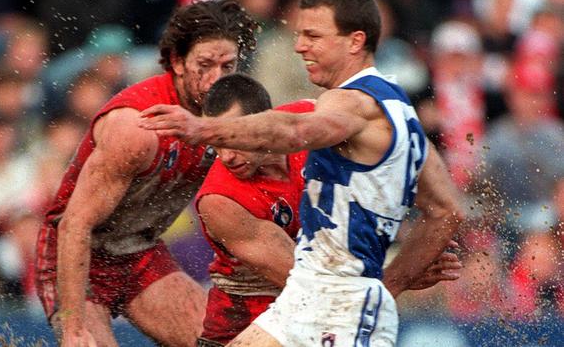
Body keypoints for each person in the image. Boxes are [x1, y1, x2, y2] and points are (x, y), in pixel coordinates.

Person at [139, 0, 463, 346]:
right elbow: (447, 209)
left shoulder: (351, 104)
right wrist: (389, 283)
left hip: (336, 308)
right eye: (298, 34)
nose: (299, 46)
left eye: (312, 35)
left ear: (355, 41)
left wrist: (203, 128)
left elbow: (298, 131)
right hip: (308, 298)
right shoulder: (401, 113)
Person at [34, 0, 258, 347]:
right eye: (206, 65)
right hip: (79, 254)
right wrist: (74, 328)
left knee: (228, 344)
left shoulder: (228, 118)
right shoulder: (137, 129)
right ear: (177, 62)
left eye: (228, 66)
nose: (217, 80)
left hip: (139, 252)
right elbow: (74, 224)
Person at [195, 74, 462, 346]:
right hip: (249, 322)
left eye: (233, 138)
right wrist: (400, 272)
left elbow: (383, 171)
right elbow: (309, 282)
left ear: (263, 122)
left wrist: (419, 242)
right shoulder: (220, 199)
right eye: (216, 143)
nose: (226, 156)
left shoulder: (312, 122)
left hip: (319, 315)